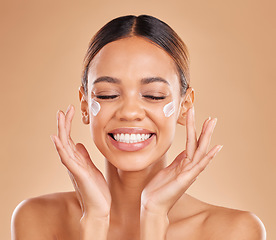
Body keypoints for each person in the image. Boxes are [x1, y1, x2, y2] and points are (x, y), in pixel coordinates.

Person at [11, 15, 266, 240]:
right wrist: (95, 221)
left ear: (184, 105)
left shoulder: (235, 232)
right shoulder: (37, 219)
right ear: (86, 105)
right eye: (108, 94)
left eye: (154, 95)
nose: (129, 112)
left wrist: (154, 216)